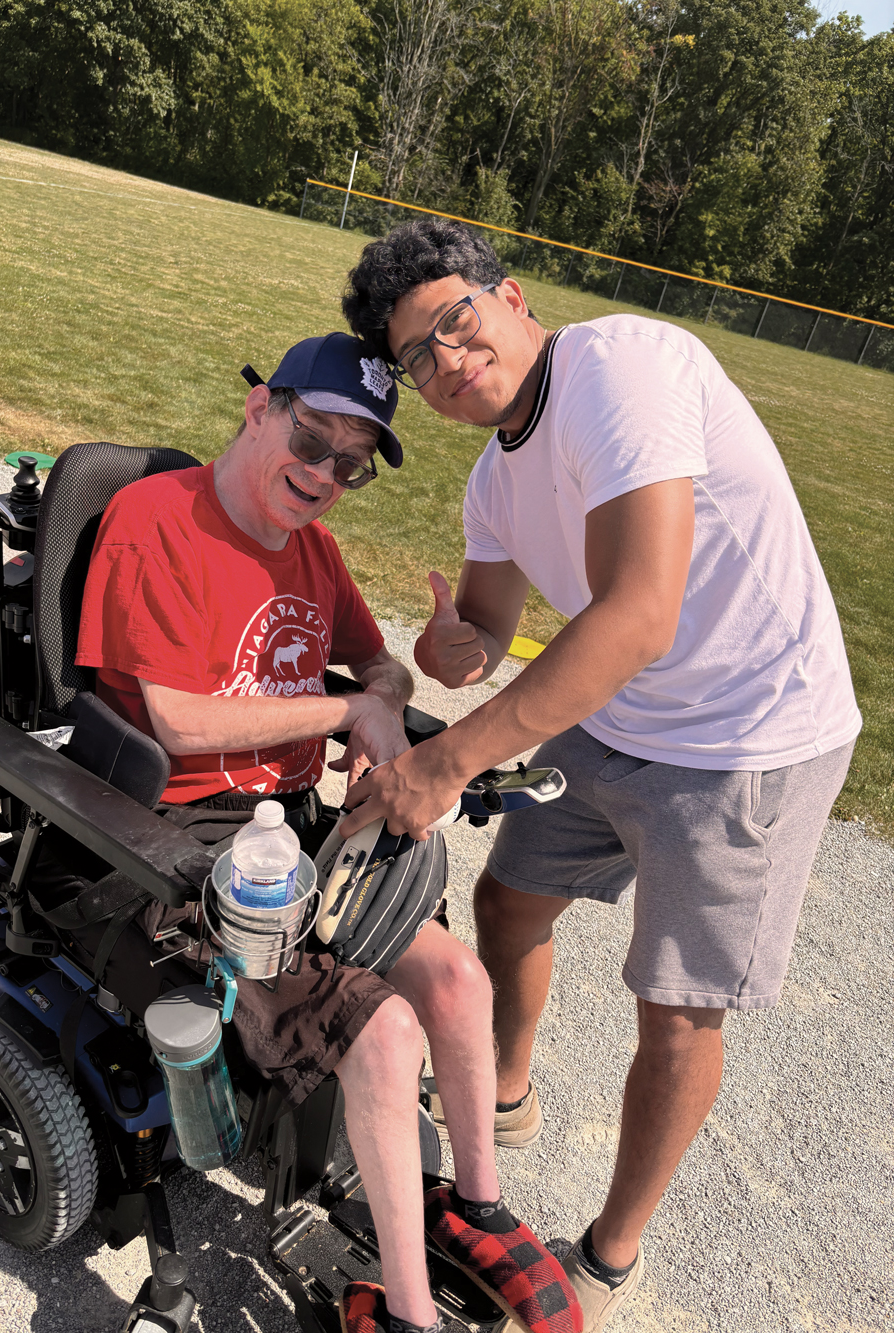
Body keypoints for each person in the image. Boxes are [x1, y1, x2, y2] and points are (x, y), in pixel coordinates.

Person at [339, 222, 861, 1330]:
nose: (447, 359)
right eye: (417, 356)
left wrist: (448, 758)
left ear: (512, 297)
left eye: (455, 322)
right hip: (620, 715)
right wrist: (454, 646)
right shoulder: (494, 478)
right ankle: (507, 1089)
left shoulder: (622, 369)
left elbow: (637, 615)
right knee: (509, 897)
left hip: (748, 735)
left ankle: (610, 1254)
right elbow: (487, 628)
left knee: (676, 1010)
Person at [73, 332, 582, 1333]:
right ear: (260, 406)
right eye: (312, 441)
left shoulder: (310, 550)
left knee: (459, 981)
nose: (324, 476)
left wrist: (384, 692)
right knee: (386, 1032)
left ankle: (473, 1208)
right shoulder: (156, 521)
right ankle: (403, 1314)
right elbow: (175, 719)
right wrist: (348, 710)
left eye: (352, 466)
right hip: (173, 847)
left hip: (298, 835)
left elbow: (379, 662)